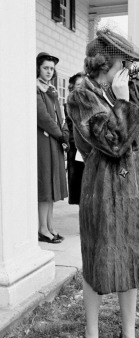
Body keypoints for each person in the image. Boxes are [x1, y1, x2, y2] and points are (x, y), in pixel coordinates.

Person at [67, 28, 139, 338]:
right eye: (122, 65)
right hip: (103, 192)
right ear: (103, 64)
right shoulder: (80, 95)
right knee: (98, 264)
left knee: (132, 262)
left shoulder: (118, 91)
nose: (127, 72)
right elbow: (112, 143)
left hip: (134, 190)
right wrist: (125, 102)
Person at [37, 52, 69, 243]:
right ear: (38, 68)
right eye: (45, 68)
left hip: (55, 141)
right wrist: (60, 134)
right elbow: (43, 117)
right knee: (45, 186)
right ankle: (42, 229)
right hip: (44, 141)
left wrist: (63, 133)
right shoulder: (35, 89)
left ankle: (49, 226)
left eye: (51, 68)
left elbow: (60, 116)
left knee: (52, 185)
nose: (49, 71)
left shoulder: (52, 90)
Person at [64, 72, 92, 205]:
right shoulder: (70, 105)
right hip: (77, 150)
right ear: (73, 87)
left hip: (90, 150)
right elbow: (73, 128)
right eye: (79, 85)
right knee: (80, 189)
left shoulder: (90, 103)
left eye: (84, 85)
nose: (82, 88)